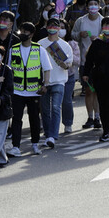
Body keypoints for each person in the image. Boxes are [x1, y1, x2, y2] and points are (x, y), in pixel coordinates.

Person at [7, 23, 50, 157]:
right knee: (17, 119)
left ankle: (35, 144)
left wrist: (45, 85)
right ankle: (15, 146)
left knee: (34, 118)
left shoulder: (39, 49)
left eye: (25, 31)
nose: (22, 33)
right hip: (17, 90)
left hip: (34, 91)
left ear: (31, 34)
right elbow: (8, 69)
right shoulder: (13, 49)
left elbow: (47, 68)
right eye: (21, 31)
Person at [39, 18, 72, 148]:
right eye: (50, 25)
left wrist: (65, 65)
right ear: (46, 27)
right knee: (45, 110)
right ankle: (48, 134)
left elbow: (69, 63)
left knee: (55, 107)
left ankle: (53, 135)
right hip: (44, 81)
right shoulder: (40, 44)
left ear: (59, 28)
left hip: (59, 80)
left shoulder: (65, 45)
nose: (53, 28)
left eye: (56, 26)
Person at [72, 0, 104, 130]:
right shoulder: (81, 21)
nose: (93, 7)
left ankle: (98, 117)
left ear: (99, 6)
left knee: (98, 91)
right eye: (90, 4)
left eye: (95, 4)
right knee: (89, 90)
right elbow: (73, 34)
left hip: (100, 61)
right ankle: (90, 117)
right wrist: (80, 34)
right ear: (86, 7)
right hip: (86, 61)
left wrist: (99, 38)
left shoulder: (103, 21)